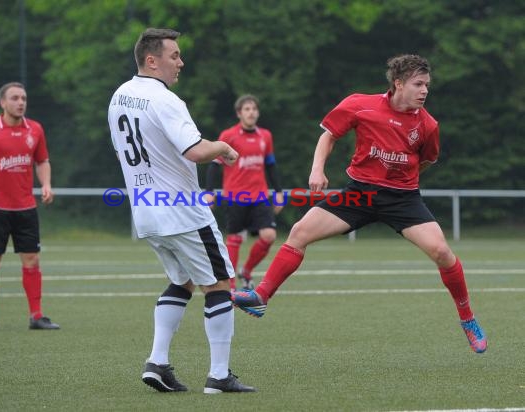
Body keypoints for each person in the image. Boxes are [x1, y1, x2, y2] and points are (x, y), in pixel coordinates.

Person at [232, 54, 487, 354]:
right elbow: (329, 136)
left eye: (427, 85)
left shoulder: (428, 125)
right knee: (299, 231)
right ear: (398, 83)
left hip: (402, 199)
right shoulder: (359, 104)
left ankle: (468, 319)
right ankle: (261, 297)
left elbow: (427, 161)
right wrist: (317, 169)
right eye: (418, 84)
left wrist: (402, 177)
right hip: (360, 194)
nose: (424, 91)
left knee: (442, 252)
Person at [107, 28, 256, 393]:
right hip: (182, 210)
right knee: (220, 284)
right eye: (174, 55)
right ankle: (219, 377)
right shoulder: (166, 100)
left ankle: (157, 363)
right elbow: (194, 150)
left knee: (183, 280)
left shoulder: (119, 96)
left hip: (146, 209)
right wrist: (223, 146)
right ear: (152, 60)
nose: (181, 62)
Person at [0, 82, 60, 332]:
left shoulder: (35, 129)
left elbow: (42, 161)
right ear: (3, 103)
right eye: (15, 98)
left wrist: (47, 184)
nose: (21, 102)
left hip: (25, 208)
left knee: (31, 260)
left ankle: (36, 316)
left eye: (24, 98)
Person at [205, 94, 283, 290]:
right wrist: (209, 191)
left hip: (260, 196)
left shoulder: (265, 136)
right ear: (239, 113)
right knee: (235, 238)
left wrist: (279, 192)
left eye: (254, 109)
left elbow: (271, 165)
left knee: (269, 235)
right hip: (236, 195)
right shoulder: (228, 136)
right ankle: (230, 284)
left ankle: (246, 271)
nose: (251, 112)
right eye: (247, 109)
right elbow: (214, 165)